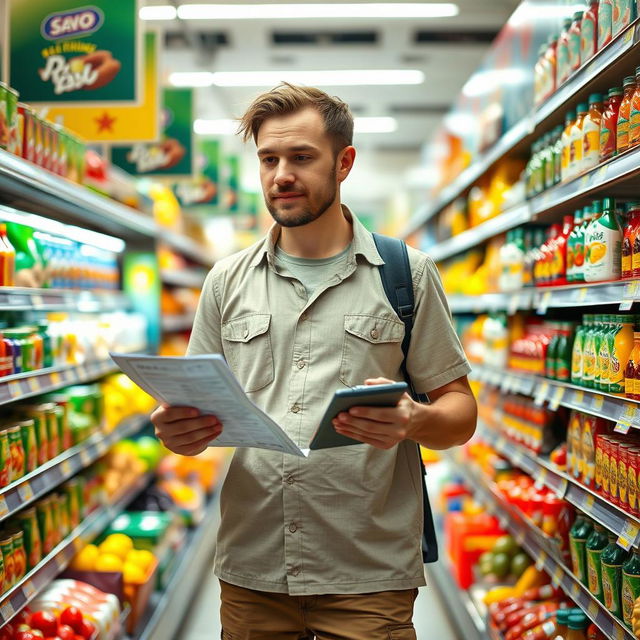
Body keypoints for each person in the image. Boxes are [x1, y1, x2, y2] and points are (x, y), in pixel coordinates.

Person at [150, 83, 477, 640]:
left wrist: (415, 420)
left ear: (344, 162)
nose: (281, 175)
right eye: (269, 159)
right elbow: (194, 412)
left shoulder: (406, 274)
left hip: (368, 576)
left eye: (301, 157)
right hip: (254, 572)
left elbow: (461, 413)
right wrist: (179, 431)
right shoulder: (225, 281)